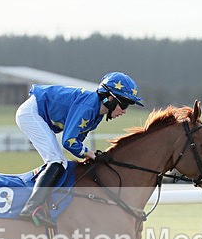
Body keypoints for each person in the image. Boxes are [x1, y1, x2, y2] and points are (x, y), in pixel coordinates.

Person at [15, 71, 143, 225]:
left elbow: (78, 141)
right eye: (124, 104)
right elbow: (68, 141)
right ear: (110, 99)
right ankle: (31, 208)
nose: (124, 111)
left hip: (38, 113)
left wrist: (89, 154)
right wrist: (90, 153)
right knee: (57, 162)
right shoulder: (88, 107)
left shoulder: (96, 114)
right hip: (32, 113)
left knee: (59, 162)